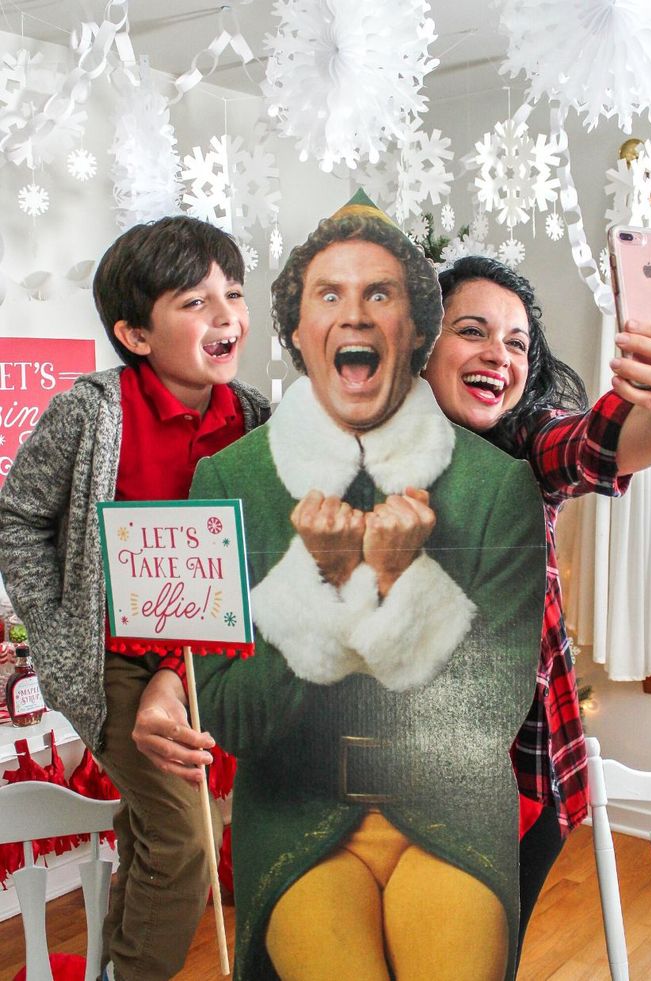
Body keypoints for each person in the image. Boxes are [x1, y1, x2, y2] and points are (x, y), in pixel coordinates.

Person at [187, 191, 547, 981]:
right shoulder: (228, 480)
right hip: (296, 813)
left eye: (379, 293)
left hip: (450, 815)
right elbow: (231, 715)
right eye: (330, 293)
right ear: (297, 331)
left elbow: (487, 715)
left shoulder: (497, 487)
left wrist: (396, 580)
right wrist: (325, 579)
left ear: (415, 332)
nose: (355, 314)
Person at [422, 254, 651, 953]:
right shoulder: (364, 458)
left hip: (523, 775)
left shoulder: (528, 445)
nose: (499, 352)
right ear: (423, 346)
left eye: (518, 342)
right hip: (401, 782)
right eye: (473, 330)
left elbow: (591, 444)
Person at [0, 215, 270, 981]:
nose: (226, 314)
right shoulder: (91, 412)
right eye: (195, 300)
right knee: (185, 842)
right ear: (135, 332)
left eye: (234, 292)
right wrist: (56, 636)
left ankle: (112, 966)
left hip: (205, 661)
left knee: (162, 837)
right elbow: (20, 517)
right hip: (113, 662)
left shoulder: (254, 421)